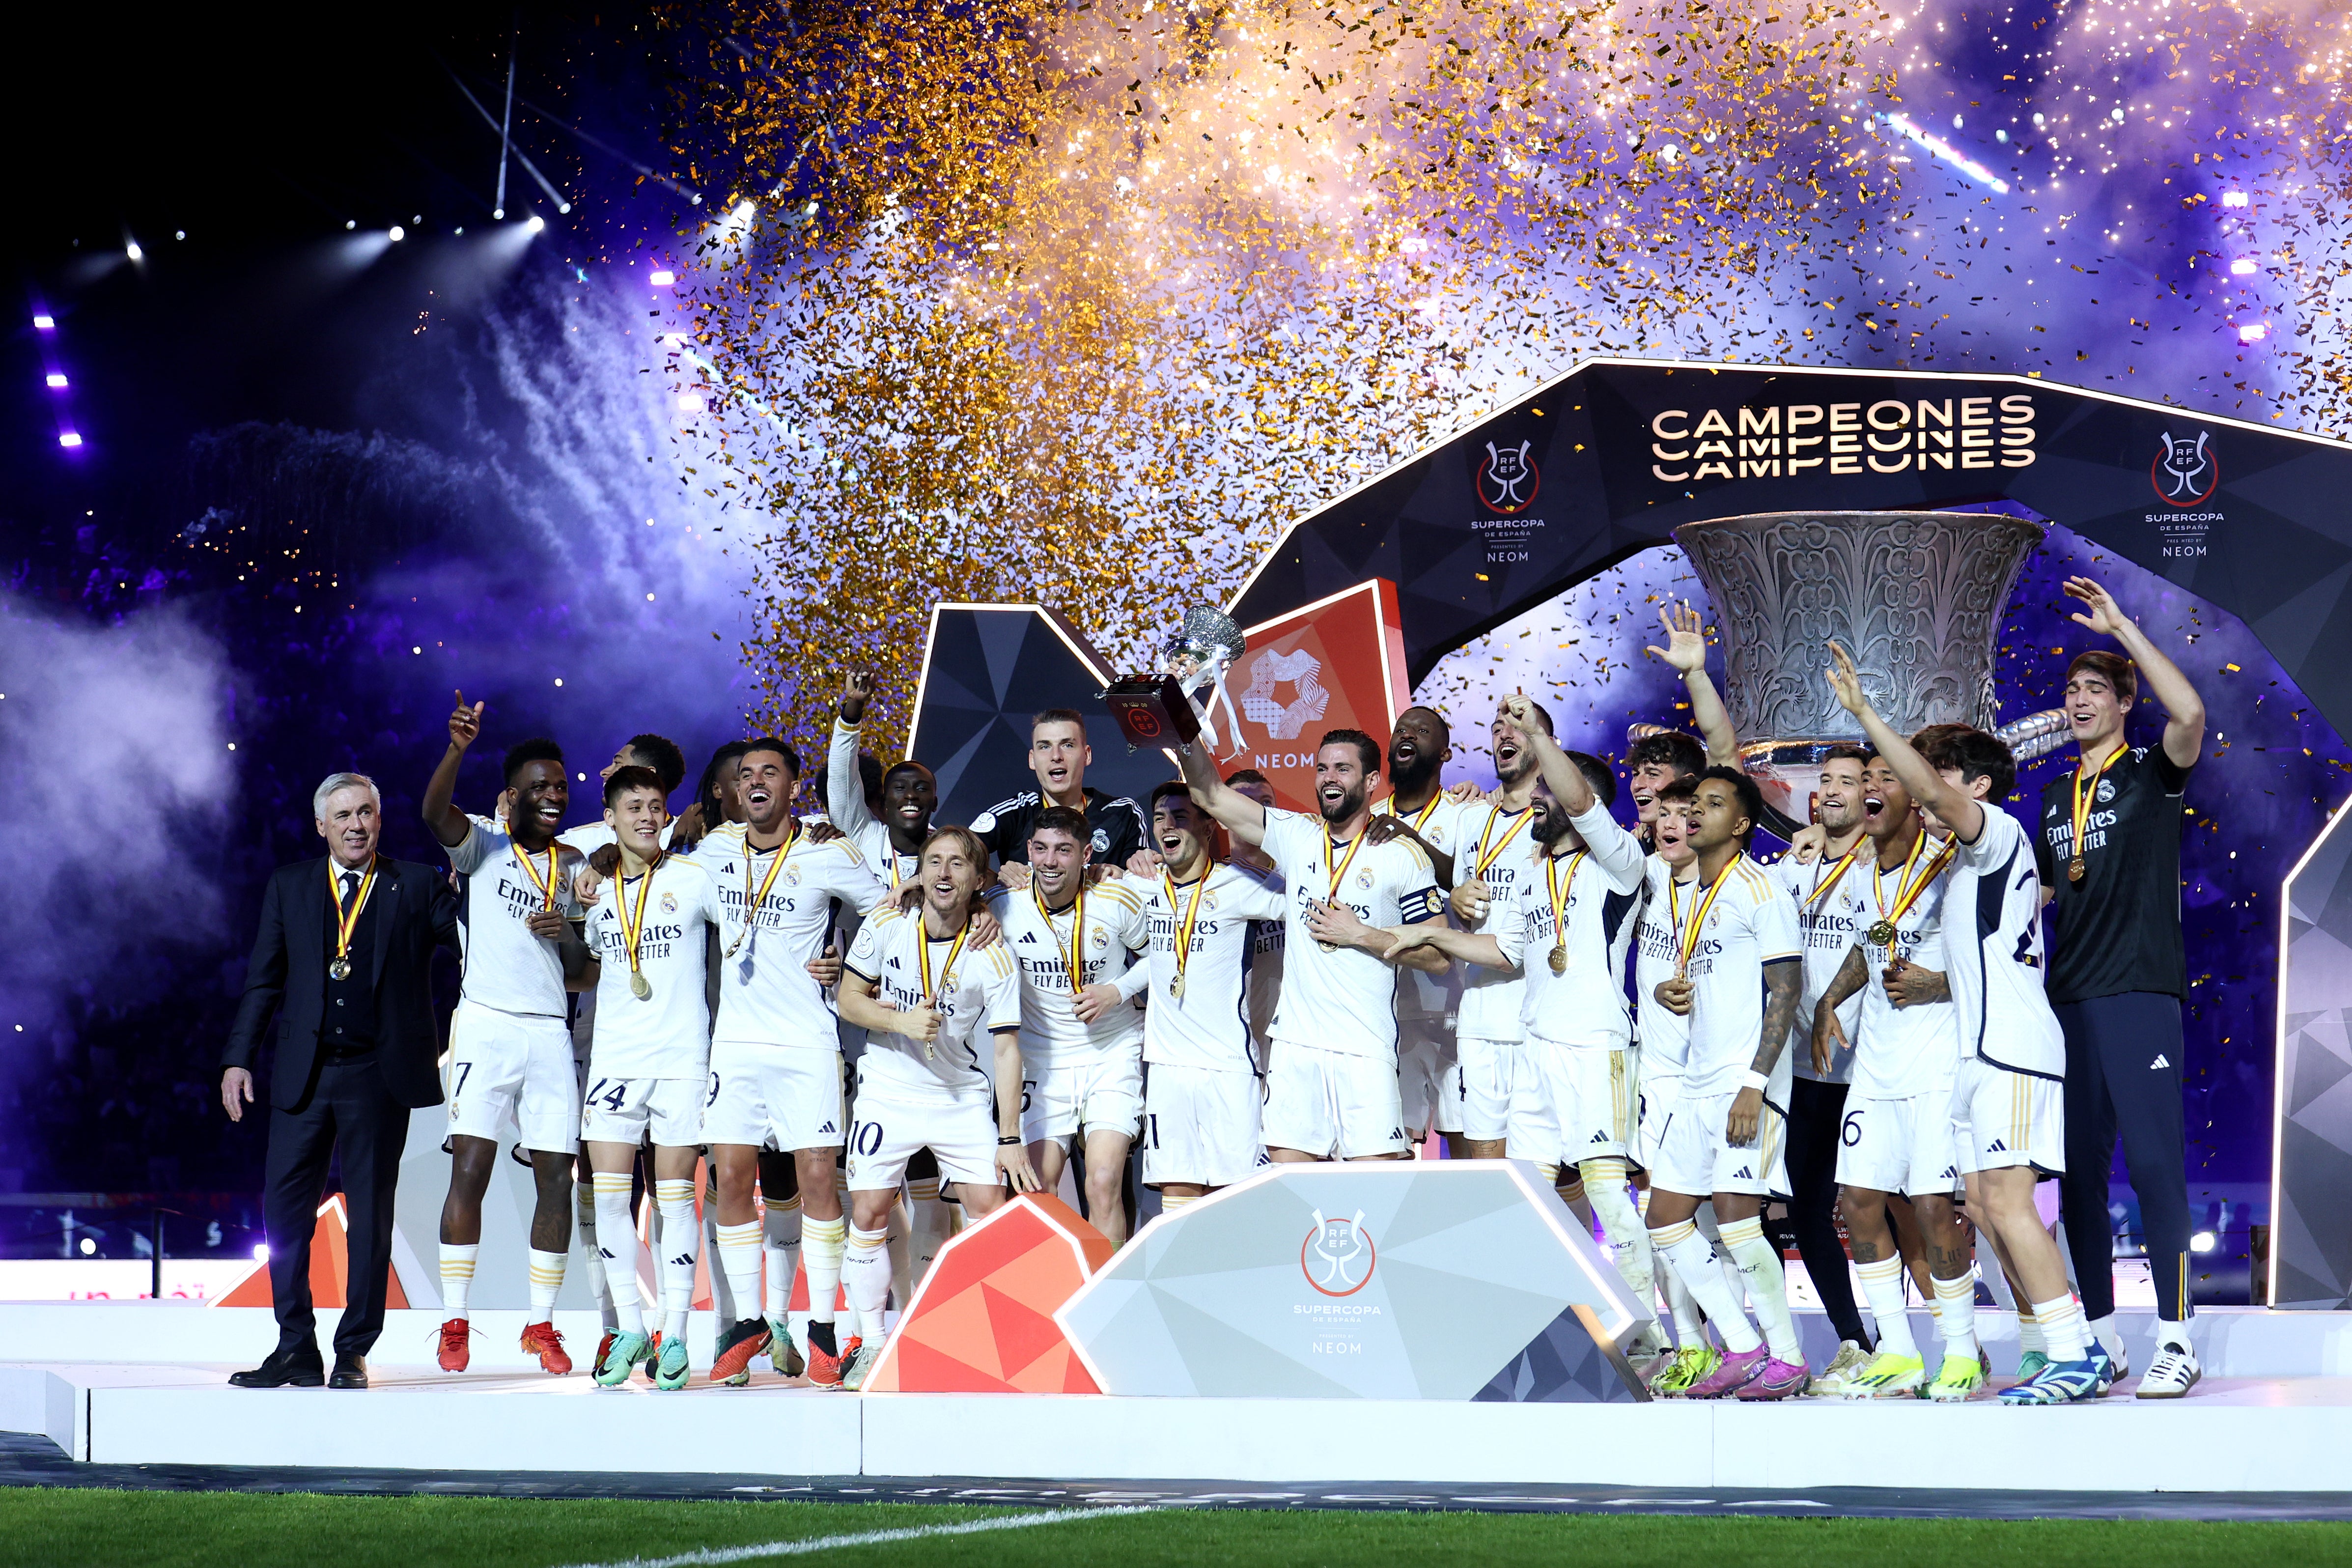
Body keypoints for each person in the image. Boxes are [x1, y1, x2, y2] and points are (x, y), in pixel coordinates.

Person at [1826, 643, 2107, 1403]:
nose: (1920, 791)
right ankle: (2058, 1345)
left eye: (1936, 775)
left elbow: (1928, 795)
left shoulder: (1997, 835)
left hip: (2011, 1049)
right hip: (1980, 1056)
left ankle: (2077, 1352)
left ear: (1976, 786)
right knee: (1983, 1206)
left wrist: (1864, 717)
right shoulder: (1956, 864)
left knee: (2008, 1206)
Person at [1383, 700, 1661, 1358]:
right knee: (1528, 1199)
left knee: (1605, 1194)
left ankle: (1645, 1338)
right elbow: (1504, 951)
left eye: (1548, 792)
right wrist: (1410, 933)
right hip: (1537, 1050)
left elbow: (1586, 807)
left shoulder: (1620, 863)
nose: (1536, 801)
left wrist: (1538, 735)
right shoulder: (1536, 872)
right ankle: (1548, 1329)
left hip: (1597, 1050)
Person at [221, 773, 462, 1390]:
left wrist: (478, 872)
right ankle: (295, 1347)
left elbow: (471, 942)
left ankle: (353, 1348)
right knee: (285, 1214)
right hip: (304, 1073)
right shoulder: (291, 885)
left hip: (379, 1077)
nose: (357, 825)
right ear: (321, 826)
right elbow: (264, 981)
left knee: (372, 1217)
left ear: (380, 820)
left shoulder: (416, 883)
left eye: (367, 813)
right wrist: (237, 1058)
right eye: (344, 816)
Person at [2036, 578, 2207, 1399]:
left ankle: (2175, 1336)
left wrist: (2120, 629)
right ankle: (2098, 1340)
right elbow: (2036, 889)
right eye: (2069, 691)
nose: (2077, 701)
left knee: (2151, 1163)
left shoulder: (2149, 770)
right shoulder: (2049, 796)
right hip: (2066, 998)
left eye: (2094, 690)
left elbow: (2191, 716)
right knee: (2076, 1175)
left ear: (2123, 700)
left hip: (2138, 990)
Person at [691, 739, 889, 1389]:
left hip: (807, 1039)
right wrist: (595, 865)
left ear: (792, 785)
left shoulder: (825, 851)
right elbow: (645, 863)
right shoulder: (714, 850)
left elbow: (888, 910)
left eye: (769, 772)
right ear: (731, 789)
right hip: (736, 1045)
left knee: (818, 1178)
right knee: (732, 1175)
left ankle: (824, 1327)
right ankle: (749, 1321)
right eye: (745, 773)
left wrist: (850, 967)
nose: (756, 782)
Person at [1175, 728, 1450, 1163]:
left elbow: (1439, 956)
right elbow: (1209, 795)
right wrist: (1180, 731)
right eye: (1322, 768)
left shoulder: (1402, 856)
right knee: (1291, 1196)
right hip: (1295, 1050)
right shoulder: (1295, 835)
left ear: (1372, 781)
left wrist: (1363, 935)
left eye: (1343, 768)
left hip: (1366, 1051)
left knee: (1375, 1201)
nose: (1328, 778)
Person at [418, 697, 593, 1376]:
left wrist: (570, 931)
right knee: (471, 1170)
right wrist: (457, 748)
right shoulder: (483, 845)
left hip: (550, 1031)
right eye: (540, 788)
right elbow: (434, 815)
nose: (553, 796)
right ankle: (455, 1321)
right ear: (508, 797)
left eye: (560, 786)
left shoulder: (575, 866)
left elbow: (582, 975)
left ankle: (541, 1326)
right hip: (486, 1025)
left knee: (556, 1176)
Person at [837, 827, 1039, 1390]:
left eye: (957, 864)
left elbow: (1005, 1049)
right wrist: (899, 1021)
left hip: (958, 1094)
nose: (944, 874)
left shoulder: (993, 955)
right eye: (934, 863)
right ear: (919, 872)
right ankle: (871, 1345)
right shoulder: (886, 923)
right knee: (870, 1210)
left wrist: (1008, 1135)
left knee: (988, 1208)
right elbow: (849, 999)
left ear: (979, 880)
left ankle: (982, 1337)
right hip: (888, 1088)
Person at [1808, 752, 1983, 1401]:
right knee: (1857, 1202)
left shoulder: (1953, 869)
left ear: (1916, 795)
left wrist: (1938, 984)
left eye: (1887, 778)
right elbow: (1865, 943)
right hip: (1875, 1068)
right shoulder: (1862, 875)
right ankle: (1899, 1351)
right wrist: (1830, 999)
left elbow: (1995, 954)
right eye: (1867, 778)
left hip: (1937, 1065)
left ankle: (1961, 1351)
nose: (1873, 788)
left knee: (1934, 1206)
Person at [1642, 768, 1810, 1400]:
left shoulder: (1759, 889)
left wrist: (1754, 1085)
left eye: (1711, 805)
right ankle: (1741, 1345)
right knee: (1665, 1218)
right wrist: (1666, 991)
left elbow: (1786, 990)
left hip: (1746, 1083)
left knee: (1740, 1221)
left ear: (1740, 824)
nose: (1694, 814)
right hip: (1695, 1079)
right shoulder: (1688, 890)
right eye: (1693, 804)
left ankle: (1788, 1357)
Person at [576, 765, 725, 1392]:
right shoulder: (595, 889)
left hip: (681, 1063)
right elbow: (585, 961)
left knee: (674, 1202)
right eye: (632, 805)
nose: (645, 815)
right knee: (609, 1199)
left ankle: (677, 1334)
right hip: (614, 1062)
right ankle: (630, 1326)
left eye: (655, 805)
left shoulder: (695, 878)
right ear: (609, 818)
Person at [1768, 746, 1878, 1392]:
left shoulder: (1878, 866)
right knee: (1806, 1209)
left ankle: (1930, 1340)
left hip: (1868, 1064)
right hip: (1806, 1068)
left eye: (1848, 782)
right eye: (1826, 782)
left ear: (1870, 793)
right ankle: (1853, 1341)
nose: (1834, 791)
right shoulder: (1796, 866)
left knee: (1884, 1206)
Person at [990, 806, 1150, 1243]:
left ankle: (1107, 1303)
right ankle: (1049, 1302)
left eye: (1063, 851)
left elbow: (1162, 956)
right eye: (1040, 849)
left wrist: (1115, 991)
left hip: (1111, 1053)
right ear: (1028, 851)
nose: (1050, 862)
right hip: (1044, 1062)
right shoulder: (1002, 909)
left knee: (1101, 1182)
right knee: (1033, 1191)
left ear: (1086, 856)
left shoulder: (1116, 899)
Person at [1131, 783, 1288, 1207]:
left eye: (1181, 817)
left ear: (1207, 826)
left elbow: (1309, 899)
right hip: (1167, 1068)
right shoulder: (1141, 885)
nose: (1168, 826)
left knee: (1238, 1199)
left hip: (1229, 1067)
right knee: (1177, 1192)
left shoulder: (1240, 883)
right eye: (1161, 818)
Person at [1443, 700, 1561, 1167]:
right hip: (1480, 1015)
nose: (1504, 736)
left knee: (1551, 1168)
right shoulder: (1471, 818)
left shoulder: (1559, 819)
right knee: (1488, 1162)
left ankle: (1568, 1243)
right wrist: (1455, 898)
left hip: (1539, 1020)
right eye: (1496, 729)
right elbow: (1460, 902)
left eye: (1518, 727)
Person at [1366, 707, 1469, 1153]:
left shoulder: (1468, 815)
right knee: (1392, 1155)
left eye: (1422, 731)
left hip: (1458, 1010)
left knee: (1469, 1149)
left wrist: (1408, 837)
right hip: (1387, 1013)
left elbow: (1466, 882)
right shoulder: (1364, 817)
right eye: (1401, 730)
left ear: (1445, 753)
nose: (1407, 735)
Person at [972, 708, 1147, 880]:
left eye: (1068, 745)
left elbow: (1143, 881)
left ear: (1086, 755)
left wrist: (1122, 877)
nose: (1056, 756)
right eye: (1045, 746)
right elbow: (957, 854)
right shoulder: (1015, 813)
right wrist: (997, 884)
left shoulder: (1124, 814)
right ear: (1032, 759)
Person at [830, 672, 941, 890]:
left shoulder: (948, 850)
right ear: (883, 802)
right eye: (900, 788)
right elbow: (841, 778)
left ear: (935, 803)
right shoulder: (863, 836)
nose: (910, 795)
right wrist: (855, 706)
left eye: (921, 788)